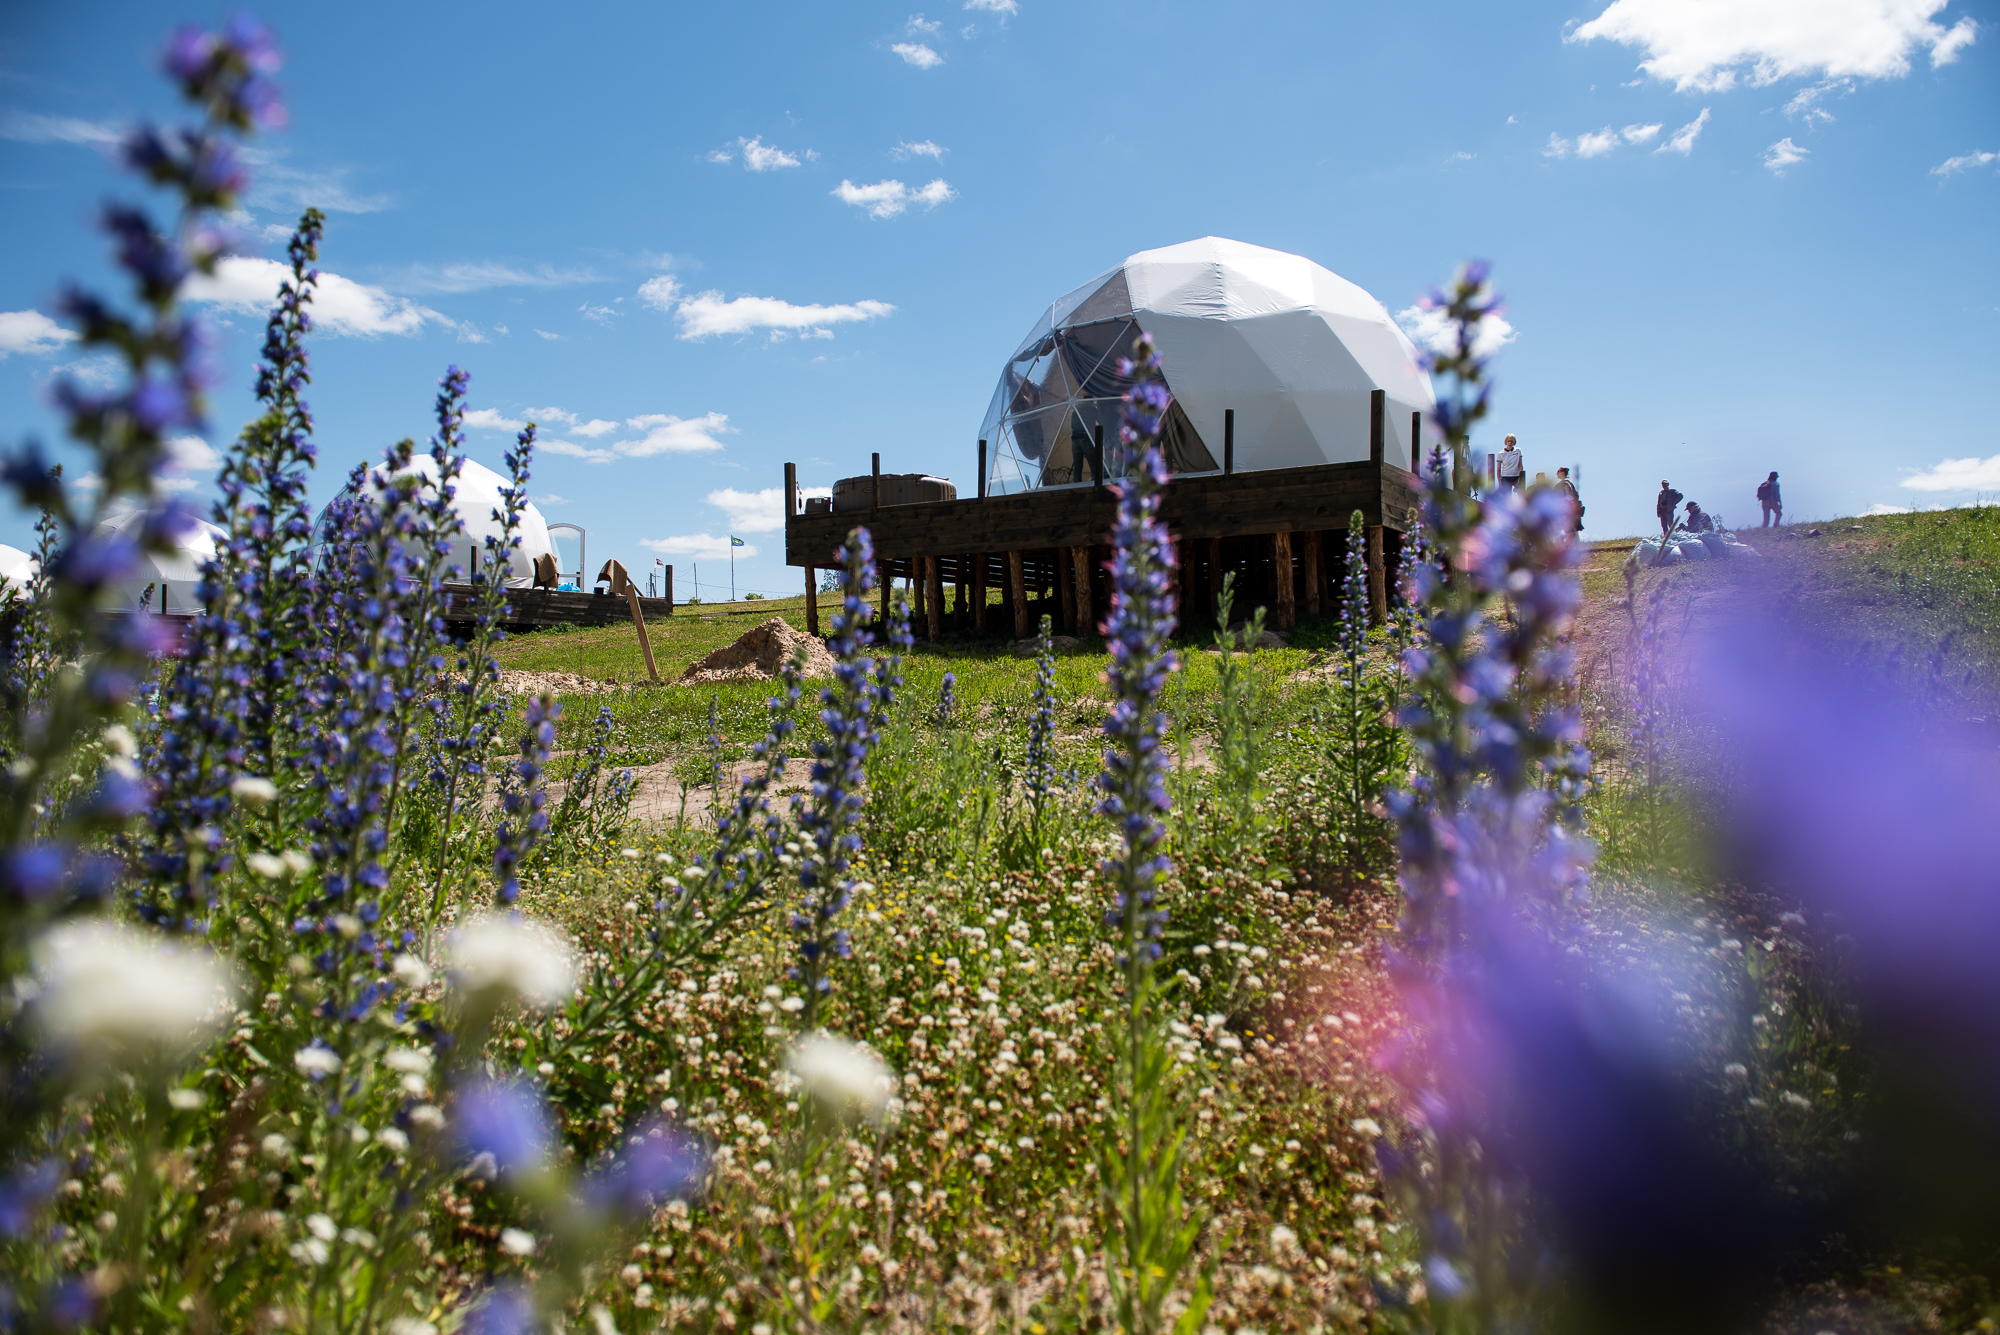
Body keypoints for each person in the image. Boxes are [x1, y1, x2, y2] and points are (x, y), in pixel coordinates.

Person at [1556, 466, 1583, 534]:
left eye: (1558, 472)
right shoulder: (1569, 483)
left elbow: (1567, 496)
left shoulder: (1565, 484)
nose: (1557, 474)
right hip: (1568, 508)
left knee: (1568, 528)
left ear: (1563, 472)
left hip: (1565, 509)